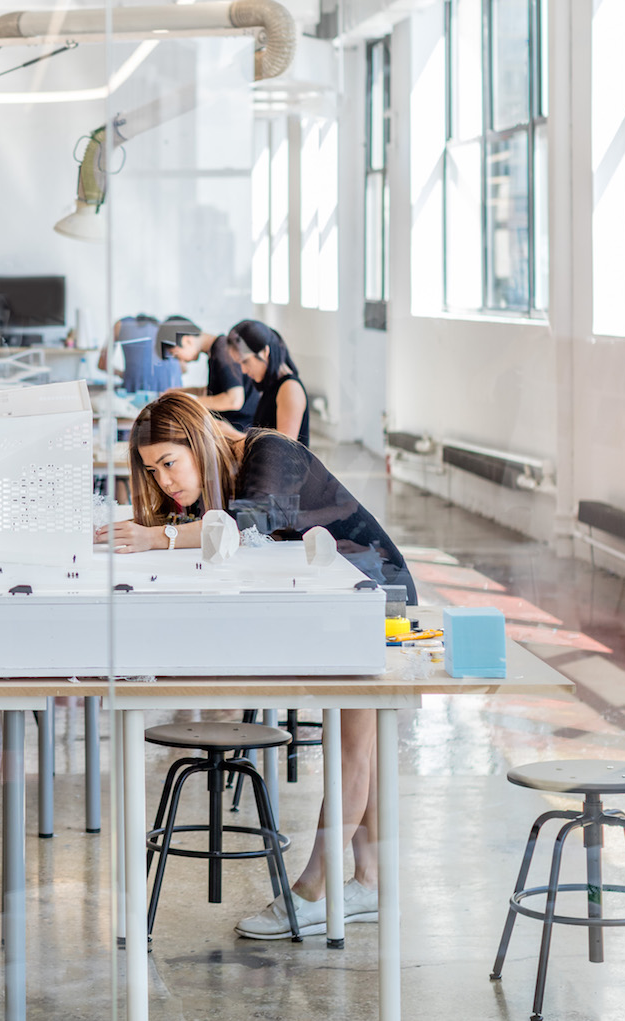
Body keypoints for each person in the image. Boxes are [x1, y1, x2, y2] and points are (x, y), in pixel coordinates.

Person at [97, 391, 412, 943]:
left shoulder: (269, 452)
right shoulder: (221, 478)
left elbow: (247, 527)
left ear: (198, 442)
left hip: (371, 594)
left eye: (169, 463)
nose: (165, 482)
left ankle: (312, 892)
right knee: (362, 747)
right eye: (152, 471)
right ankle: (370, 883)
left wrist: (158, 536)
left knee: (353, 746)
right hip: (334, 600)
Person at [154, 317, 259, 431]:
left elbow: (234, 400)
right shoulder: (216, 351)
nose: (181, 360)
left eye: (176, 354)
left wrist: (186, 402)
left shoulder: (222, 350)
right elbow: (216, 392)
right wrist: (180, 392)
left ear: (186, 341)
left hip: (241, 431)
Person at [224, 319, 309, 444]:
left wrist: (232, 434)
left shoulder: (290, 388)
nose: (243, 370)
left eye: (245, 361)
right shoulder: (270, 386)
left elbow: (284, 449)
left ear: (265, 352)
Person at [96, 313, 181, 395]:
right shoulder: (166, 329)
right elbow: (183, 368)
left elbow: (102, 364)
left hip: (135, 393)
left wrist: (124, 374)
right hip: (171, 394)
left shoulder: (121, 325)